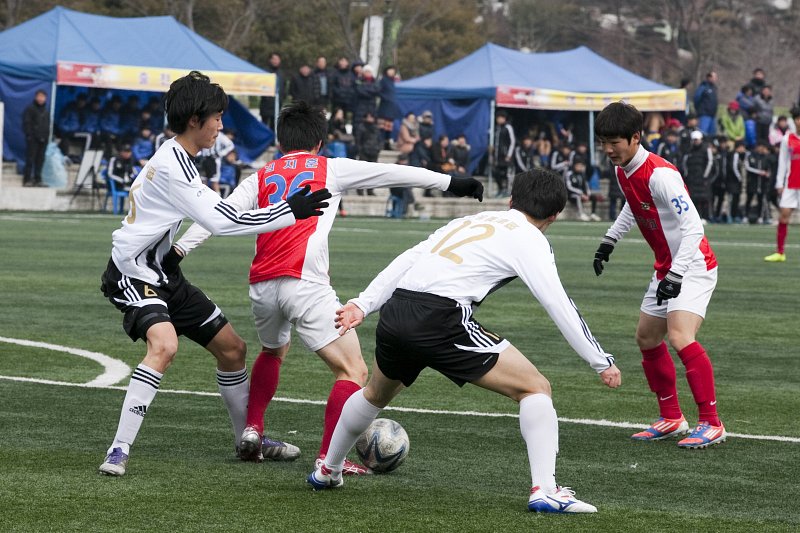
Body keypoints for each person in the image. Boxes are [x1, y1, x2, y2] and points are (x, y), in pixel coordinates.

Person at [174, 101, 484, 474]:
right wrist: (452, 183)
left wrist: (178, 249)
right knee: (353, 370)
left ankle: (253, 428)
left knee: (273, 351)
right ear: (320, 141)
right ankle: (328, 458)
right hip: (304, 283)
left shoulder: (260, 175)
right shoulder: (329, 167)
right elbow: (391, 172)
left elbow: (216, 215)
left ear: (280, 140)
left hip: (261, 285)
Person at [308, 168, 620, 515]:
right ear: (554, 215)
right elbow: (557, 303)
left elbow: (409, 258)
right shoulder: (532, 239)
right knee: (535, 387)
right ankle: (546, 490)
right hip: (441, 317)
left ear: (511, 201)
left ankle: (328, 469)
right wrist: (600, 360)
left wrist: (363, 303)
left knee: (374, 394)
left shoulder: (470, 220)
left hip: (397, 310)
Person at [97, 71, 332, 477]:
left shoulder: (177, 157)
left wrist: (180, 249)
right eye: (217, 118)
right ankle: (118, 449)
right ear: (195, 121)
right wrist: (289, 210)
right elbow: (222, 220)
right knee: (164, 346)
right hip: (131, 272)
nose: (221, 126)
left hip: (162, 271)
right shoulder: (175, 167)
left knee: (233, 349)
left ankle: (248, 442)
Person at [592, 101, 725, 449]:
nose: (607, 150)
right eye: (602, 142)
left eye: (614, 142)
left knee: (681, 337)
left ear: (635, 138)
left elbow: (694, 228)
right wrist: (609, 239)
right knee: (647, 338)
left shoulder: (661, 175)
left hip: (692, 265)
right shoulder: (624, 171)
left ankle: (712, 423)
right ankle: (671, 418)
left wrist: (677, 275)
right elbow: (633, 207)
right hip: (667, 266)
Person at [764, 107, 800, 262]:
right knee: (783, 215)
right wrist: (779, 183)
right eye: (797, 118)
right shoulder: (787, 138)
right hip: (791, 183)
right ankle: (780, 252)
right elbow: (783, 163)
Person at [22, 90, 50, 187]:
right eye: (39, 96)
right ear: (35, 97)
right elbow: (27, 123)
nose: (41, 98)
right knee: (30, 159)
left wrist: (46, 136)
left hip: (43, 139)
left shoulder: (46, 111)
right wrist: (29, 136)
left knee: (40, 160)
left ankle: (38, 179)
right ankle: (27, 179)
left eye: (43, 96)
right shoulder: (30, 109)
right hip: (33, 139)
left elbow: (47, 124)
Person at [492, 111, 516, 197]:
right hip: (498, 156)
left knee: (507, 174)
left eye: (500, 118)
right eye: (497, 118)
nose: (498, 120)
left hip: (506, 156)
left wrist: (509, 155)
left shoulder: (508, 127)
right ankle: (501, 189)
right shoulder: (497, 129)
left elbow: (512, 142)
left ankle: (507, 190)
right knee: (495, 172)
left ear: (504, 118)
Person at [259, 53, 283, 131]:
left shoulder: (281, 73)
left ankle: (273, 141)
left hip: (277, 103)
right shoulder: (264, 71)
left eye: (277, 59)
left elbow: (283, 88)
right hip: (266, 104)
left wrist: (281, 98)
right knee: (264, 124)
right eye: (274, 59)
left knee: (275, 125)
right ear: (270, 60)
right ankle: (264, 142)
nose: (276, 61)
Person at [694, 71, 719, 136]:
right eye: (714, 77)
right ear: (709, 77)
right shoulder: (703, 87)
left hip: (712, 115)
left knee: (712, 134)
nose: (716, 79)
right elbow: (696, 99)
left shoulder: (714, 88)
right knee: (702, 133)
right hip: (704, 114)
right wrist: (699, 109)